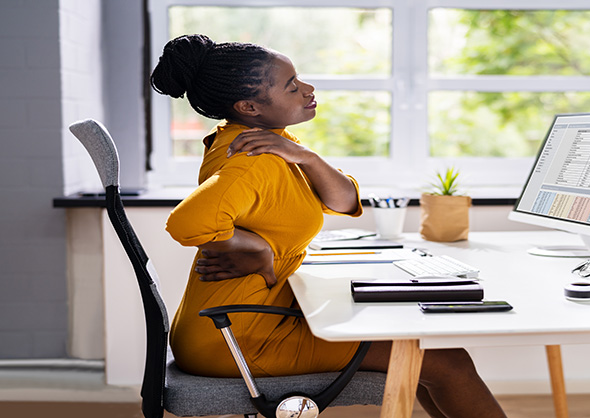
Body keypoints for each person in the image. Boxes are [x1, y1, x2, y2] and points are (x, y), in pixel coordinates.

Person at [150, 33, 506, 418]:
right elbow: (186, 224)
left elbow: (344, 201)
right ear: (249, 106)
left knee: (430, 356)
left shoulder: (269, 142)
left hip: (233, 325)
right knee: (446, 362)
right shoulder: (254, 159)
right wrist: (259, 249)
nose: (307, 89)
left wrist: (307, 157)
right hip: (240, 340)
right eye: (291, 87)